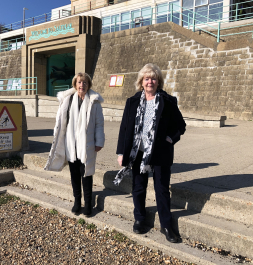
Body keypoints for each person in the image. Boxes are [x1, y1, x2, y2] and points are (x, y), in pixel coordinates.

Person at [115, 63, 186, 243]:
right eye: (147, 78)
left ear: (158, 81)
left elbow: (181, 126)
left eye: (153, 78)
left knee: (161, 190)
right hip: (138, 152)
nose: (150, 82)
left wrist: (171, 138)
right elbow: (124, 129)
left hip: (160, 152)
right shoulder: (131, 102)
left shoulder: (168, 101)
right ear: (141, 81)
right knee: (138, 187)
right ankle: (139, 218)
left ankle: (166, 226)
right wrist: (120, 152)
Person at [45, 72, 105, 217]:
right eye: (79, 82)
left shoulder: (94, 102)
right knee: (74, 174)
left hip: (87, 144)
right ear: (75, 84)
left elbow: (99, 124)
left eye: (84, 82)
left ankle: (88, 204)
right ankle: (77, 201)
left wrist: (99, 142)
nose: (81, 85)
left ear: (88, 85)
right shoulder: (68, 100)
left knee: (87, 174)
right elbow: (59, 121)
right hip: (71, 143)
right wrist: (57, 136)